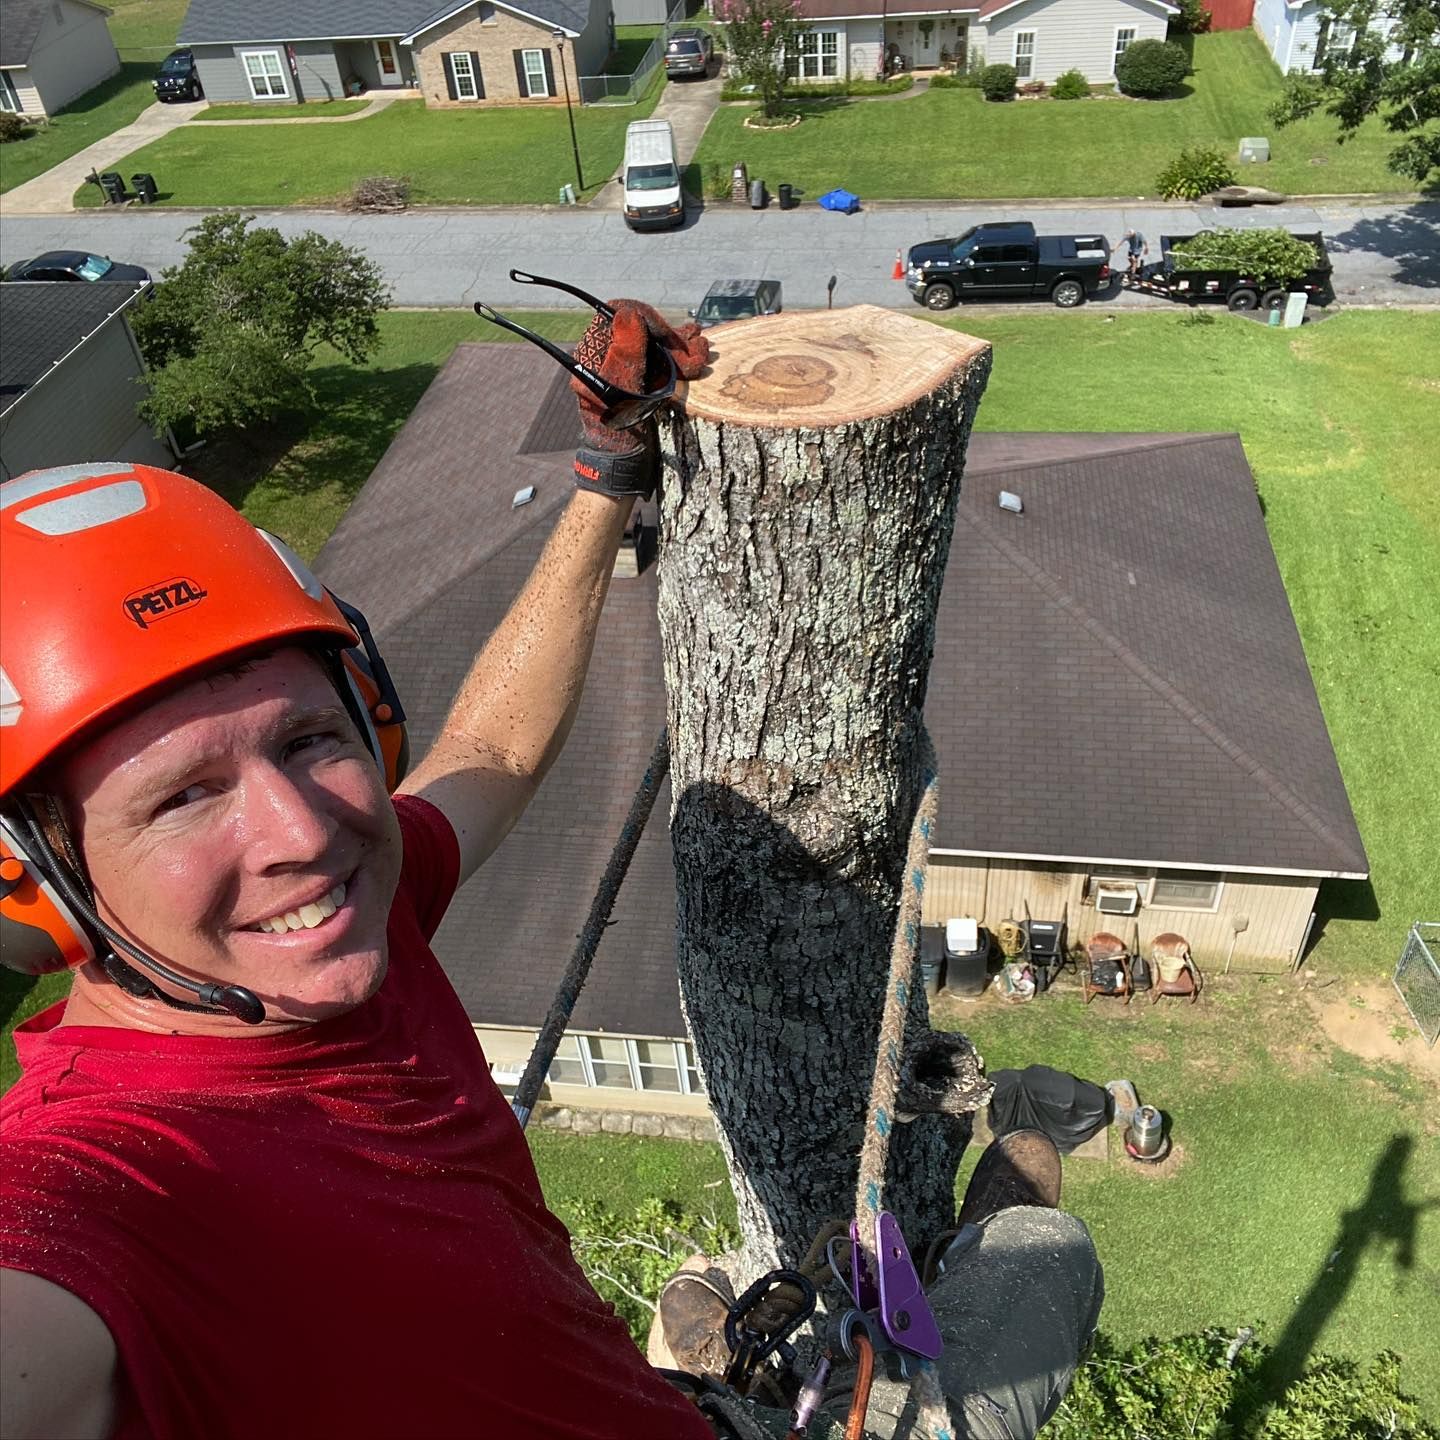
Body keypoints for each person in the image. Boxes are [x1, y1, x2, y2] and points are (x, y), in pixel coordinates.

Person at [0, 302, 716, 1440]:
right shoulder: (103, 1181)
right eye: (184, 797)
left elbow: (489, 751)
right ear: (34, 877)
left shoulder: (370, 922)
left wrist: (607, 473)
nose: (306, 831)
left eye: (309, 740)